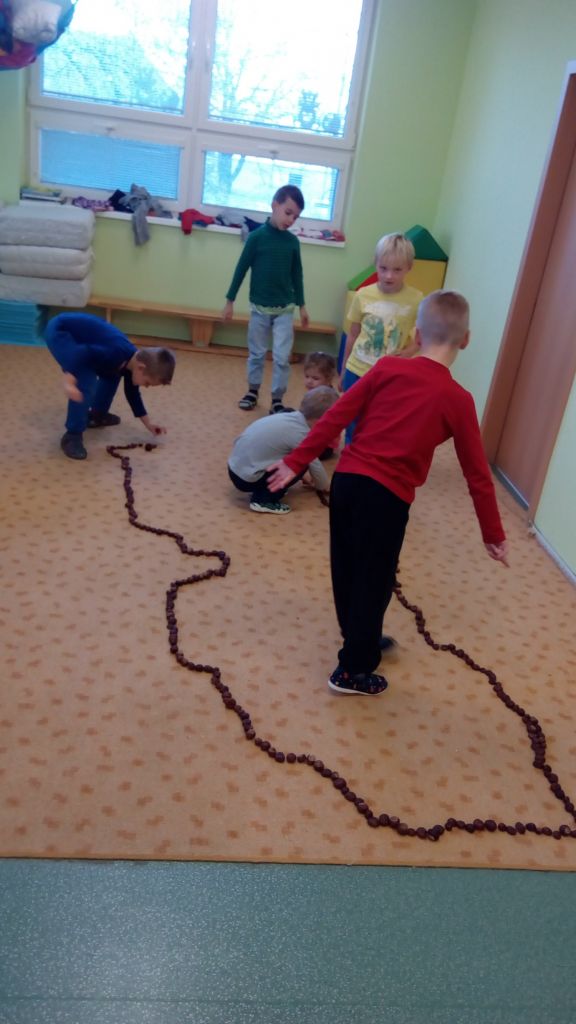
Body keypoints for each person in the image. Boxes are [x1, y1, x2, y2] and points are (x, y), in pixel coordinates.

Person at [267, 291, 509, 695]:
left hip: (347, 483)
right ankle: (352, 670)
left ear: (417, 334)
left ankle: (359, 636)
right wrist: (493, 533)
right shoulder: (459, 400)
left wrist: (296, 461)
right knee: (374, 579)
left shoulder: (386, 368)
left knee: (348, 568)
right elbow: (478, 475)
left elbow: (335, 416)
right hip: (387, 499)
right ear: (466, 340)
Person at [222, 184, 309, 415]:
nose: (291, 220)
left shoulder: (292, 243)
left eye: (295, 217)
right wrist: (230, 301)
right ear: (274, 205)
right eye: (288, 213)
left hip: (285, 309)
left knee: (281, 357)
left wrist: (302, 306)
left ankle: (277, 399)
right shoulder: (256, 238)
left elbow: (297, 275)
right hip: (259, 308)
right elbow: (241, 269)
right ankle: (252, 391)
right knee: (257, 354)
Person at [45, 312, 175, 460]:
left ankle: (97, 414)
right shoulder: (114, 352)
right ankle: (72, 436)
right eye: (147, 383)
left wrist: (149, 424)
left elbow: (133, 395)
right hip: (61, 331)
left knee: (113, 374)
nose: (145, 387)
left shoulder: (132, 363)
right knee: (86, 380)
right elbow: (82, 354)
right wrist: (69, 380)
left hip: (84, 343)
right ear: (141, 367)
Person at [340, 232, 423, 442]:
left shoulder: (416, 299)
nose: (389, 276)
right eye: (383, 268)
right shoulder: (362, 295)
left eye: (397, 270)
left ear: (409, 267)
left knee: (380, 420)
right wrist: (343, 369)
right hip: (357, 369)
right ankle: (351, 451)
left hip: (390, 375)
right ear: (375, 263)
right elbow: (353, 334)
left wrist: (410, 352)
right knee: (352, 419)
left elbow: (423, 335)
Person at [228, 385, 337, 514]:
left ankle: (262, 489)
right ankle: (263, 500)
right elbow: (314, 464)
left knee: (292, 457)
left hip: (235, 468)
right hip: (246, 479)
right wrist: (324, 486)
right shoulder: (301, 434)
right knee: (301, 463)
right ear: (321, 421)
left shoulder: (288, 416)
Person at [302, 350, 340, 459]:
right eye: (307, 376)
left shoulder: (328, 398)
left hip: (324, 446)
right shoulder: (314, 393)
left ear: (328, 379)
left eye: (315, 378)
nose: (309, 381)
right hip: (312, 438)